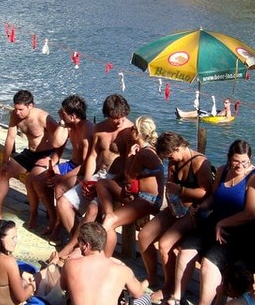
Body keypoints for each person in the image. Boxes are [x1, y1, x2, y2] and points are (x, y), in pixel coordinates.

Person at [175, 139, 255, 305]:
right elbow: (214, 198)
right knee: (186, 250)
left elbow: (251, 213)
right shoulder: (222, 171)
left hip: (242, 232)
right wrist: (202, 206)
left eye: (245, 162)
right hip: (216, 224)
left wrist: (223, 223)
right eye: (236, 162)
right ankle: (177, 297)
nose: (240, 166)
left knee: (209, 262)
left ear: (250, 160)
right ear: (229, 159)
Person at [51, 94, 133, 263]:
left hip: (116, 180)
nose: (119, 121)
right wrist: (87, 180)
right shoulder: (100, 128)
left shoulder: (130, 131)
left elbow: (129, 164)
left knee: (93, 210)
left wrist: (111, 181)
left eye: (122, 117)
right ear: (107, 115)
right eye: (115, 117)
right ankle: (80, 243)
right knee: (63, 203)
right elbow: (93, 156)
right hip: (98, 174)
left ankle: (72, 247)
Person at [138, 131, 213, 305]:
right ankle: (152, 276)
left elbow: (207, 192)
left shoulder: (200, 163)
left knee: (165, 245)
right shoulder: (175, 161)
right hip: (174, 208)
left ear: (178, 148)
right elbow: (170, 183)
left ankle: (169, 286)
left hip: (192, 213)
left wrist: (181, 190)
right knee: (144, 236)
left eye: (170, 155)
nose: (169, 159)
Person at [60, 222, 151, 305]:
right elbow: (138, 294)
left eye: (79, 242)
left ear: (86, 245)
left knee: (71, 293)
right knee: (145, 298)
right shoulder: (122, 270)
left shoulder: (70, 265)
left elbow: (63, 287)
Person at [0, 90, 67, 228]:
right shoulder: (14, 116)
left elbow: (61, 138)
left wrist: (54, 159)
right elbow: (10, 138)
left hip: (46, 155)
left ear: (30, 106)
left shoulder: (43, 118)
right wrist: (5, 162)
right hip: (30, 153)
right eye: (16, 108)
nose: (17, 112)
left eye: (21, 109)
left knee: (30, 181)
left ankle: (35, 214)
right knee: (2, 173)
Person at [29, 94, 94, 238]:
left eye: (63, 112)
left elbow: (86, 164)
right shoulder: (69, 125)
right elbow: (56, 143)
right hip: (72, 164)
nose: (59, 112)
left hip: (83, 169)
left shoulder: (87, 131)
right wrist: (63, 123)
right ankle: (53, 217)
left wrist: (63, 177)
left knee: (59, 186)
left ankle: (60, 226)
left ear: (72, 116)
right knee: (38, 181)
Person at [100, 116, 164, 257]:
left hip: (148, 199)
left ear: (138, 133)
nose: (131, 131)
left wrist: (129, 155)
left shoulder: (144, 153)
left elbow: (129, 176)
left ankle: (101, 256)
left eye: (133, 128)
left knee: (110, 222)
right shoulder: (150, 150)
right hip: (145, 196)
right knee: (102, 184)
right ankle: (108, 213)